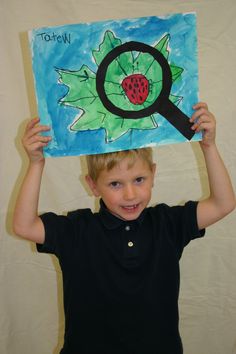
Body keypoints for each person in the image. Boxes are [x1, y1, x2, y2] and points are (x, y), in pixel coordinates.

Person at [13, 102, 235, 354]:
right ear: (93, 186)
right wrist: (35, 164)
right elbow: (24, 225)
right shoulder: (77, 230)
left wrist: (209, 146)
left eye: (139, 180)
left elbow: (223, 204)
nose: (130, 194)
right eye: (115, 184)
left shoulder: (168, 223)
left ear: (153, 174)